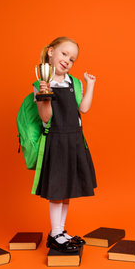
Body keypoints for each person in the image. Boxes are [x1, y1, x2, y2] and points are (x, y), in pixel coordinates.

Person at [34, 36, 97, 252]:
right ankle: (54, 233)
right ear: (51, 52)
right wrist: (45, 95)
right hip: (58, 141)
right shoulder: (41, 84)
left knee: (67, 189)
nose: (67, 60)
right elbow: (45, 117)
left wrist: (90, 85)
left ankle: (59, 231)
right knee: (57, 190)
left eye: (72, 59)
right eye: (64, 54)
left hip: (74, 140)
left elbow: (84, 109)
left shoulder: (74, 82)